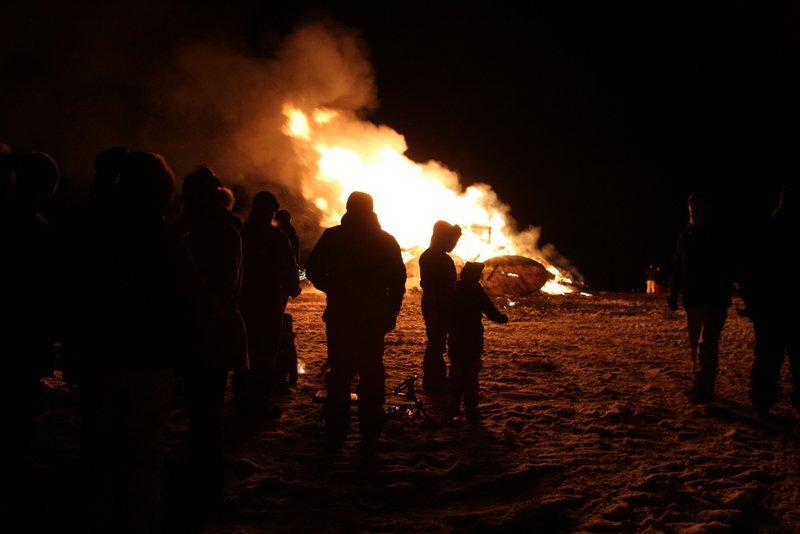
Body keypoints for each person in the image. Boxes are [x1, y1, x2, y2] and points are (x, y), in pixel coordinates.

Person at [66, 151, 204, 533]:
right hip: (149, 362)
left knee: (97, 455)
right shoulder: (161, 236)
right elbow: (191, 296)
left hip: (100, 358)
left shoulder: (92, 229)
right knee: (142, 460)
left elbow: (69, 290)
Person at [305, 191, 406, 449]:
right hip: (371, 319)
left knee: (340, 372)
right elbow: (397, 283)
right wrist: (389, 313)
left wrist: (332, 288)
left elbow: (313, 269)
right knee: (371, 371)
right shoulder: (385, 241)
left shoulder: (334, 237)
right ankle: (370, 429)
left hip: (342, 315)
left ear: (349, 208)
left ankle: (337, 427)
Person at [174, 165, 247, 514]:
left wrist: (206, 310)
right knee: (202, 407)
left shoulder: (214, 229)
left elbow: (220, 286)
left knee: (205, 408)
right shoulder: (208, 226)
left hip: (208, 329)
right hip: (205, 328)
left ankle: (205, 482)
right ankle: (202, 474)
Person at [668, 191, 736, 403]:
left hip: (715, 298)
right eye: (691, 209)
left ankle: (704, 387)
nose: (694, 213)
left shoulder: (720, 234)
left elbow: (731, 265)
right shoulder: (686, 236)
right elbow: (679, 267)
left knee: (707, 343)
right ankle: (699, 383)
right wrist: (673, 292)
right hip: (694, 298)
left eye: (697, 209)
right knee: (695, 343)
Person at [236, 191, 300, 413]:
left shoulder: (241, 233)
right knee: (264, 350)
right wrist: (293, 287)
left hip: (243, 300)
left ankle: (241, 395)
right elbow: (289, 268)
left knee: (245, 347)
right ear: (272, 210)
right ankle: (259, 402)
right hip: (267, 300)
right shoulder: (276, 237)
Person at [739, 184, 799, 418]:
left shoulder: (765, 233)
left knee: (766, 359)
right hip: (793, 309)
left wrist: (752, 301)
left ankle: (762, 403)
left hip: (768, 310)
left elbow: (748, 271)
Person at [447, 262, 508, 421]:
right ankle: (471, 407)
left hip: (456, 335)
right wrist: (501, 319)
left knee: (456, 368)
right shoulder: (476, 290)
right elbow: (488, 309)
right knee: (471, 371)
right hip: (473, 335)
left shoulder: (455, 287)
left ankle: (454, 403)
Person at [419, 220, 462, 394]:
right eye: (452, 240)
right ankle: (434, 383)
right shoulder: (438, 258)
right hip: (437, 305)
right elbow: (440, 286)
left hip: (437, 305)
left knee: (436, 344)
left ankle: (434, 381)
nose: (453, 244)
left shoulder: (431, 255)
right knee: (436, 345)